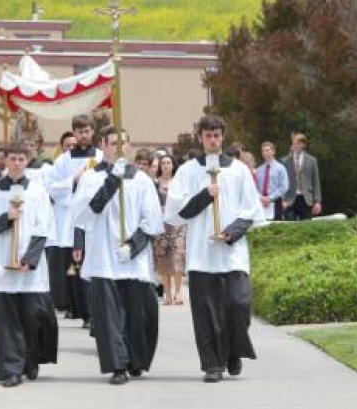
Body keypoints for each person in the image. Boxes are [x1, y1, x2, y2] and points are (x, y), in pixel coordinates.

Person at [165, 115, 264, 383]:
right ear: (201, 137)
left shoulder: (239, 170)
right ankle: (212, 365)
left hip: (232, 253)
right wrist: (204, 196)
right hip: (201, 254)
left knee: (238, 305)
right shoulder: (187, 171)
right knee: (205, 313)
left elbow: (252, 209)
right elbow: (176, 213)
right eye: (208, 135)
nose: (212, 140)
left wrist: (231, 232)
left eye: (217, 135)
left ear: (223, 137)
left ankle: (232, 352)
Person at [72, 126, 164, 385]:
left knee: (140, 314)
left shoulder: (142, 180)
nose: (119, 147)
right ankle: (117, 366)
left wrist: (133, 246)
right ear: (103, 145)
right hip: (104, 259)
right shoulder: (91, 178)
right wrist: (112, 181)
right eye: (113, 143)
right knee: (109, 317)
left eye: (123, 142)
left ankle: (136, 360)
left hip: (133, 260)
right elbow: (82, 216)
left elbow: (152, 221)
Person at [0, 143, 58, 387]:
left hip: (30, 268)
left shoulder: (38, 192)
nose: (17, 162)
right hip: (2, 266)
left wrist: (29, 260)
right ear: (5, 161)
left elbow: (46, 228)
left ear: (27, 161)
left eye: (22, 158)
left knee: (33, 316)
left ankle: (30, 360)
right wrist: (6, 218)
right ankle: (10, 369)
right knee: (7, 321)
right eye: (13, 158)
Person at [47, 114, 102, 326]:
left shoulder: (98, 157)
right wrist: (74, 180)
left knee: (93, 264)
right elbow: (52, 188)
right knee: (75, 268)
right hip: (69, 219)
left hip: (94, 218)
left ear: (92, 131)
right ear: (75, 133)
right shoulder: (63, 161)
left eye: (87, 131)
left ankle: (93, 312)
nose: (84, 135)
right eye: (80, 132)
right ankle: (78, 309)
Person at [152, 153, 186, 306]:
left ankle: (178, 292)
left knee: (177, 257)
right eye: (163, 163)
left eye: (168, 163)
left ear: (173, 165)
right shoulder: (154, 183)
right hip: (160, 225)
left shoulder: (179, 182)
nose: (165, 165)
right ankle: (167, 294)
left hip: (177, 224)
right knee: (163, 259)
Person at [281, 133, 322, 220]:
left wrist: (317, 201)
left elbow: (316, 182)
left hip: (306, 199)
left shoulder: (312, 160)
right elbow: (282, 182)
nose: (295, 146)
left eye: (298, 144)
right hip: (290, 199)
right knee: (290, 228)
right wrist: (283, 199)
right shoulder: (285, 161)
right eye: (294, 143)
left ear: (303, 145)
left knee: (306, 227)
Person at [255, 141, 289, 220]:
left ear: (273, 152)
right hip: (261, 202)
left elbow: (284, 186)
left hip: (275, 201)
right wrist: (261, 198)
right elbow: (255, 186)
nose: (264, 153)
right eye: (263, 151)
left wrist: (270, 198)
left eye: (267, 150)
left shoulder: (280, 168)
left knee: (276, 225)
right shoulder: (259, 170)